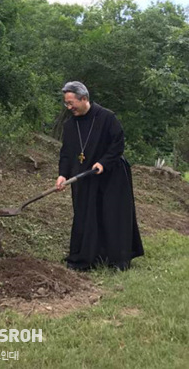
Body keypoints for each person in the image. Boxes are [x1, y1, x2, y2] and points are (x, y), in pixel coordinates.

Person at [56, 81, 143, 271]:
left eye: (72, 103)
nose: (69, 107)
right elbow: (66, 153)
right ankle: (86, 258)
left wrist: (103, 162)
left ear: (84, 98)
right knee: (86, 216)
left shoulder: (106, 118)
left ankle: (117, 260)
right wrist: (62, 175)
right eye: (66, 104)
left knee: (112, 215)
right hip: (85, 177)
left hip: (111, 176)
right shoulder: (70, 126)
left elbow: (118, 144)